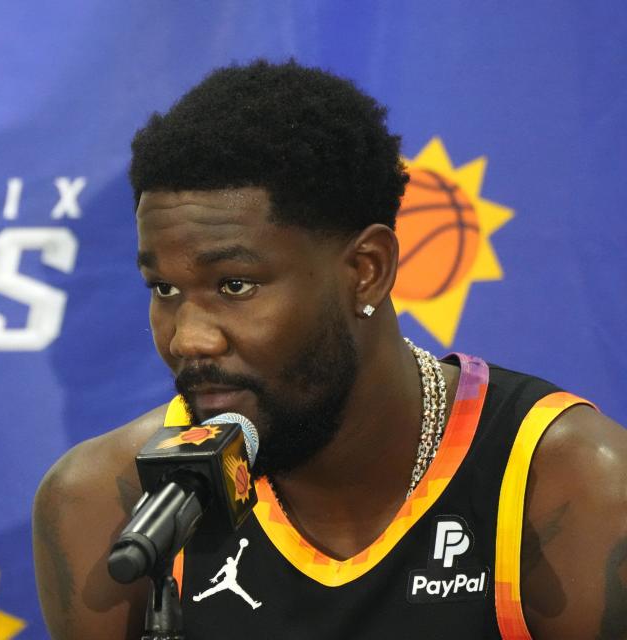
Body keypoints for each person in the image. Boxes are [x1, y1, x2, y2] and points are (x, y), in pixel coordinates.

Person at [32, 60, 627, 639]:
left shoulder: (572, 486)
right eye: (164, 288)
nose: (188, 338)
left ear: (366, 270)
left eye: (234, 285)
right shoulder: (108, 503)